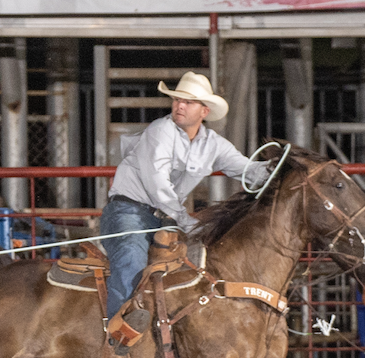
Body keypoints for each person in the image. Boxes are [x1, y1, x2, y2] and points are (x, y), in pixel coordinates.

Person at [101, 72, 267, 321]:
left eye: (188, 102)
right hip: (128, 211)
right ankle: (117, 328)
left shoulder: (213, 144)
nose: (179, 105)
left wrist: (277, 170)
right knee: (131, 255)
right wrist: (185, 220)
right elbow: (157, 183)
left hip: (162, 218)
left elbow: (246, 170)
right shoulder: (161, 130)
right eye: (177, 100)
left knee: (201, 266)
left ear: (204, 111)